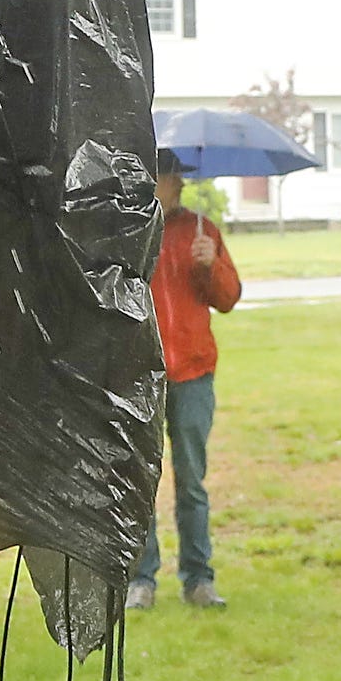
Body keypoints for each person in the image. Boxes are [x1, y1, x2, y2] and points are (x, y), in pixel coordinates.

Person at [129, 148, 241, 611]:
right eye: (155, 176)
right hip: (141, 378)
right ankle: (141, 579)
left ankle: (198, 578)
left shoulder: (202, 232)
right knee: (140, 481)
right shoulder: (130, 233)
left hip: (194, 374)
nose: (163, 184)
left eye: (169, 177)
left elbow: (229, 297)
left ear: (178, 182)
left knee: (191, 479)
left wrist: (209, 263)